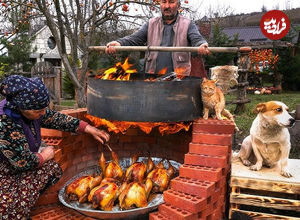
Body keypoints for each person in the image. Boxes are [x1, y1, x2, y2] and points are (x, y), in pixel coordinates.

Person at [0, 75, 110, 219]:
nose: (43, 113)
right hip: (5, 170)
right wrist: (44, 155)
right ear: (22, 107)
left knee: (52, 169)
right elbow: (23, 162)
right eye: (39, 111)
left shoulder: (31, 109)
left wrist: (88, 128)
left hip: (18, 165)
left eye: (44, 108)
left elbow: (56, 119)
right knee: (12, 206)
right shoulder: (5, 121)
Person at [105, 0, 210, 75]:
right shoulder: (151, 23)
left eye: (171, 2)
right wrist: (119, 43)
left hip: (179, 80)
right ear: (160, 4)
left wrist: (201, 45)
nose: (167, 6)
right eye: (164, 2)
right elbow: (135, 39)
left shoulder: (188, 24)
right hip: (153, 78)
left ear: (178, 5)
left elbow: (196, 38)